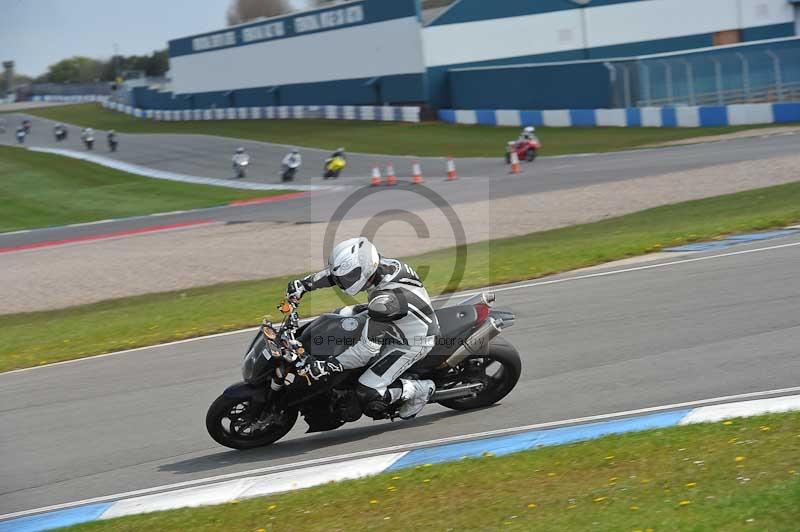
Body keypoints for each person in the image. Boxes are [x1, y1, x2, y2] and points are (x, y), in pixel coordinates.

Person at [287, 238, 438, 420]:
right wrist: (305, 284)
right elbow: (336, 275)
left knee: (368, 392)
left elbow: (365, 351)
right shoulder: (377, 267)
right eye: (343, 278)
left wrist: (327, 366)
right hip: (394, 320)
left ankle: (421, 389)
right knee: (338, 318)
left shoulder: (385, 302)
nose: (342, 283)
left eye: (348, 278)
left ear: (364, 270)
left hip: (411, 340)